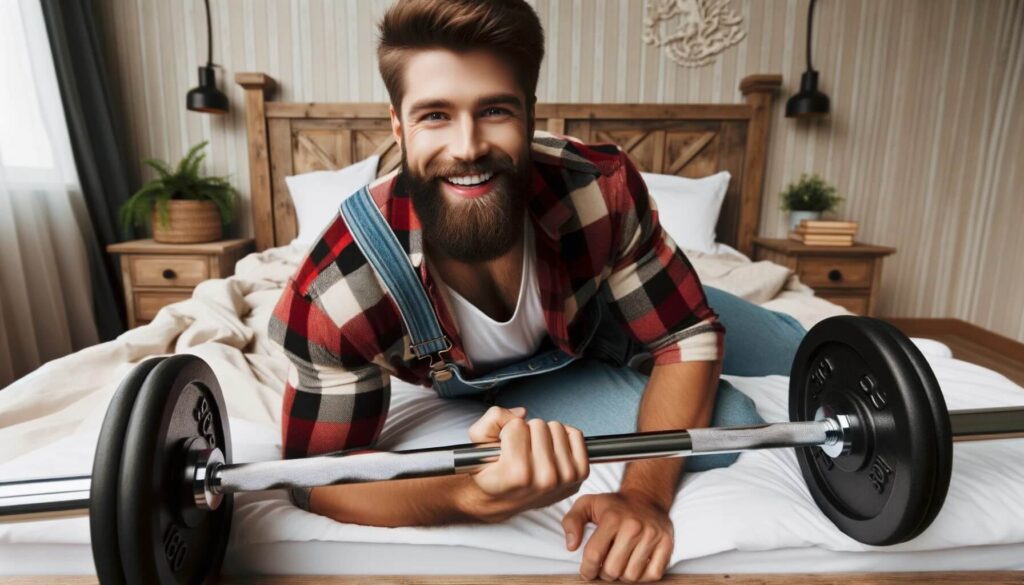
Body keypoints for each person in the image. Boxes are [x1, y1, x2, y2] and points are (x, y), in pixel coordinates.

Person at [268, 0, 805, 581]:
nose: (468, 146)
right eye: (435, 116)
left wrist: (644, 498)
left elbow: (686, 333)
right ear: (398, 125)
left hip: (613, 310)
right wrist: (467, 495)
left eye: (495, 110)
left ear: (530, 114)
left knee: (803, 352)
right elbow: (317, 479)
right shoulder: (336, 292)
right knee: (730, 424)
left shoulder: (599, 187)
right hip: (518, 379)